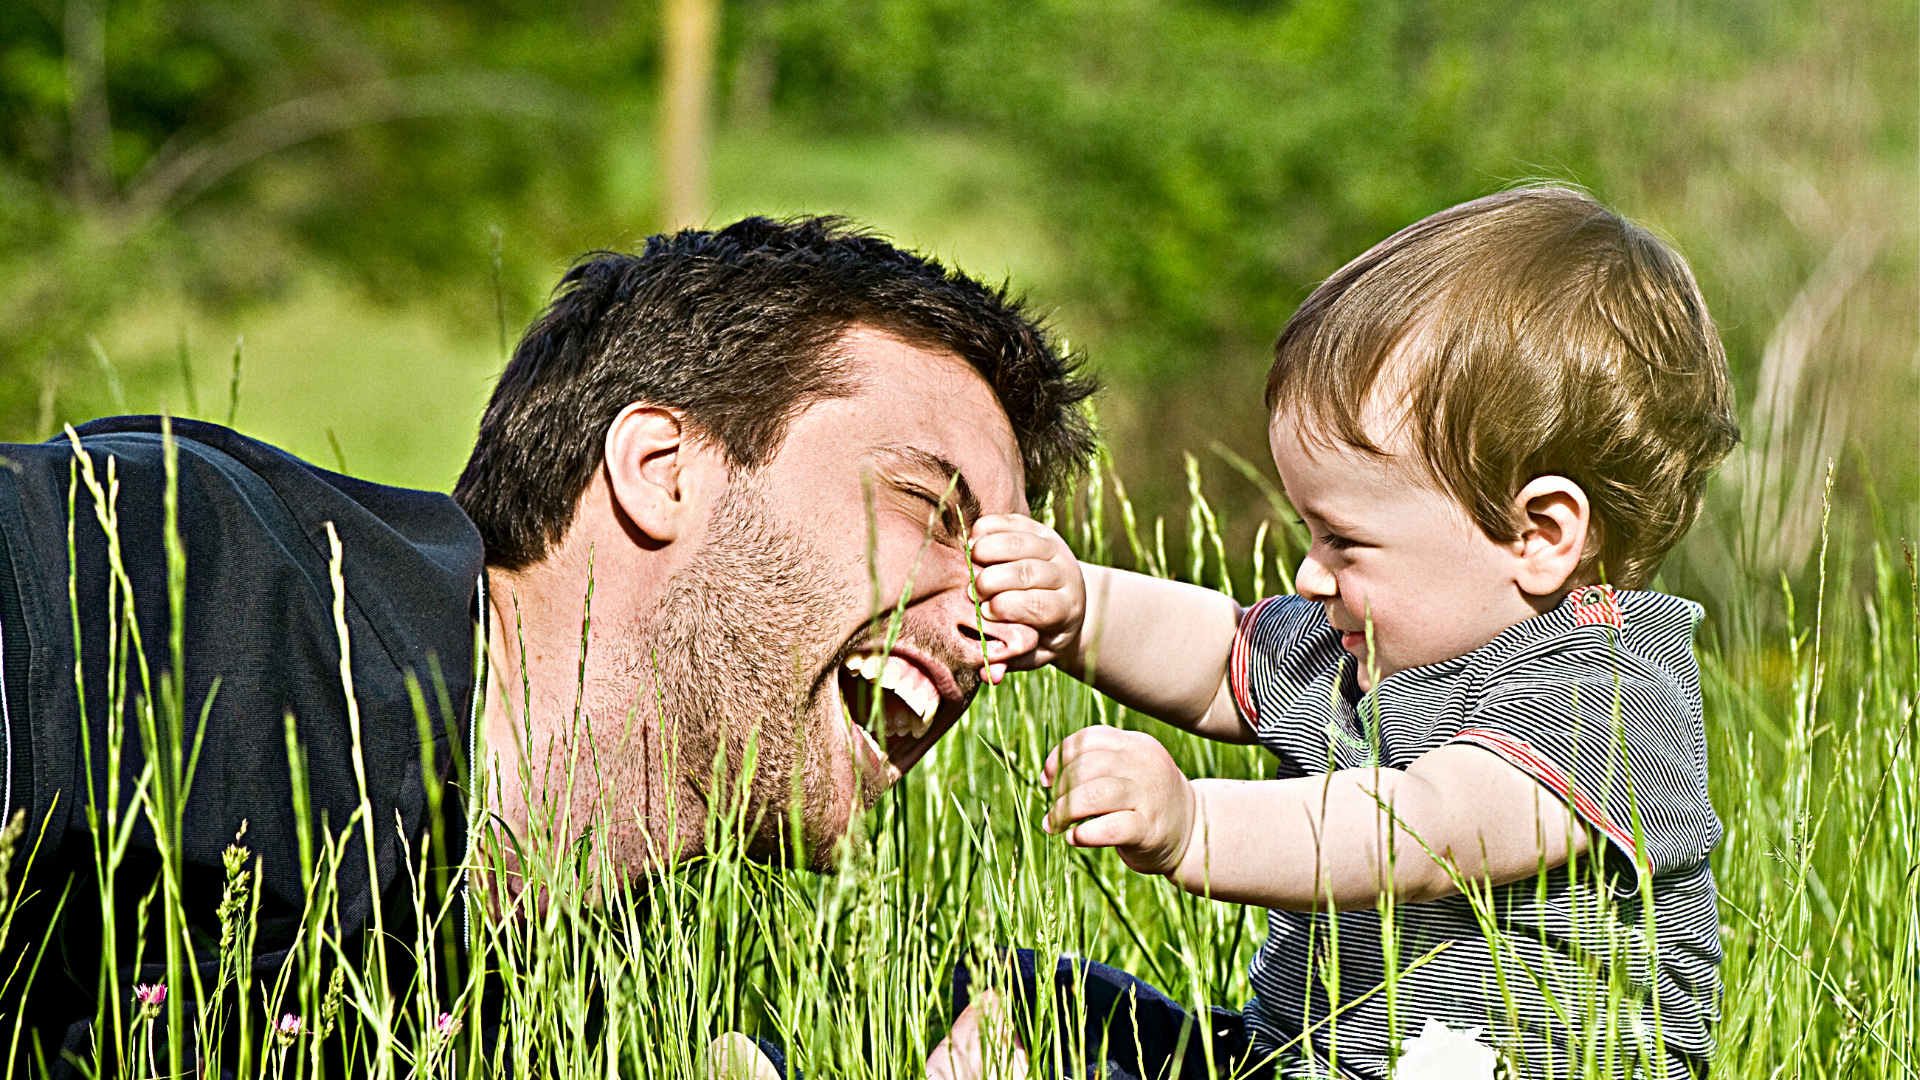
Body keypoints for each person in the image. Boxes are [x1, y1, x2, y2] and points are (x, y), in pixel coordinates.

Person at [0, 215, 1095, 1073]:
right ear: (660, 471)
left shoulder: (661, 999)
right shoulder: (170, 585)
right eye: (930, 508)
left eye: (1010, 564)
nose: (1001, 618)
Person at [947, 186, 1738, 1079]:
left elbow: (1426, 830)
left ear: (1539, 535)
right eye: (1307, 531)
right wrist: (1080, 607)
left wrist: (1193, 826)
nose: (1309, 574)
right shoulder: (1362, 637)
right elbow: (1218, 655)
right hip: (1290, 1056)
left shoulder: (1609, 691)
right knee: (1019, 995)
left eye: (1345, 540)